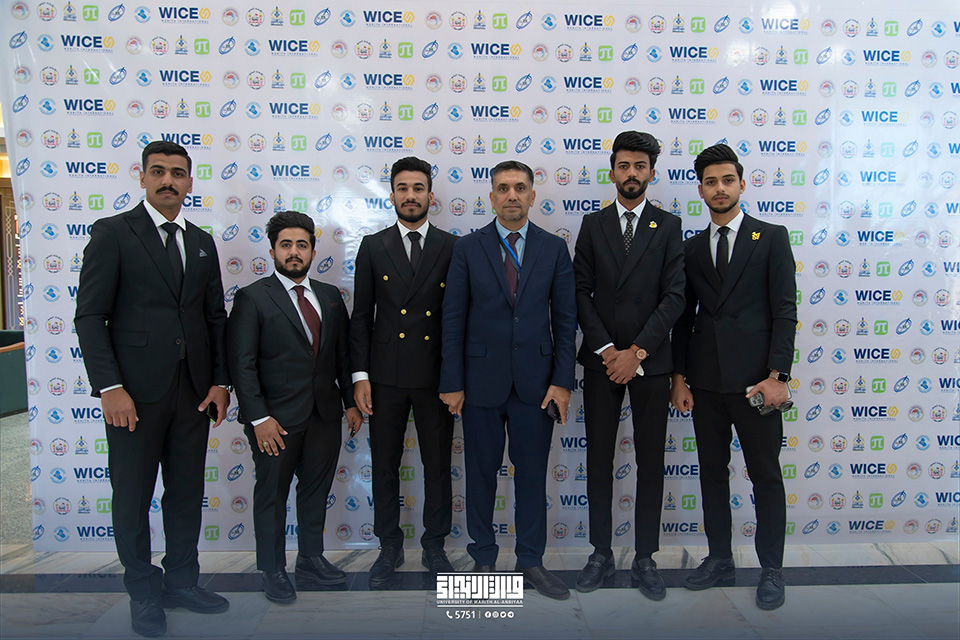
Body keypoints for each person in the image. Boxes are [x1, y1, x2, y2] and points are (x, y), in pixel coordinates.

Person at [74, 140, 231, 637]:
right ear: (141, 177)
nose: (168, 180)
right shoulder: (113, 233)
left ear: (189, 182)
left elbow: (214, 317)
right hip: (133, 396)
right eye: (158, 171)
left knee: (185, 494)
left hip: (193, 394)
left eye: (177, 173)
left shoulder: (201, 241)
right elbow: (90, 316)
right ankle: (143, 592)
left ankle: (182, 582)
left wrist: (219, 381)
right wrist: (110, 387)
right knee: (133, 496)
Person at [439, 160, 577, 600]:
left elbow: (566, 321)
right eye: (503, 188)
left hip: (537, 386)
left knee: (532, 478)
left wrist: (563, 381)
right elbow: (453, 318)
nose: (512, 195)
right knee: (480, 476)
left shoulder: (554, 249)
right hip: (479, 383)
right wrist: (452, 381)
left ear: (532, 196)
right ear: (492, 197)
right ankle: (483, 557)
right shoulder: (468, 247)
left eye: (519, 188)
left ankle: (531, 561)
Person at [670, 144, 797, 610]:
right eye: (710, 182)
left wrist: (778, 375)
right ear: (701, 190)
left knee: (765, 476)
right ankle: (720, 558)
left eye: (727, 180)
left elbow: (785, 310)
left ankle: (772, 569)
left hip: (757, 384)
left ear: (742, 184)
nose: (719, 188)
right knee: (711, 474)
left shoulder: (771, 237)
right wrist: (679, 377)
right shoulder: (689, 248)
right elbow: (683, 319)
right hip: (706, 382)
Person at [226, 211, 362, 604]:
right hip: (275, 420)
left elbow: (342, 357)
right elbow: (242, 364)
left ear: (313, 252)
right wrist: (259, 419)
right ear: (272, 251)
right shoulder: (253, 297)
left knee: (315, 491)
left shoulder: (330, 296)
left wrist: (350, 404)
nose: (294, 252)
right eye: (285, 245)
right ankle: (272, 569)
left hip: (324, 415)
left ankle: (310, 559)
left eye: (302, 245)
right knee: (272, 495)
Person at [572, 131, 685, 599]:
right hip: (602, 362)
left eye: (640, 166)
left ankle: (645, 557)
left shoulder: (669, 225)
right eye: (624, 165)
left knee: (650, 461)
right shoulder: (593, 225)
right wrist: (607, 351)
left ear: (651, 172)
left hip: (650, 363)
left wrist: (635, 352)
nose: (632, 173)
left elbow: (674, 296)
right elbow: (579, 292)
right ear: (612, 171)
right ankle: (600, 552)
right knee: (598, 458)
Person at [350, 157, 459, 586]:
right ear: (392, 195)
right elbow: (361, 317)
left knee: (438, 465)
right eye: (402, 188)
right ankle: (389, 546)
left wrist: (455, 379)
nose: (410, 196)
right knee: (385, 465)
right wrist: (360, 376)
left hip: (436, 377)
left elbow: (457, 319)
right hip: (385, 376)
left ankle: (434, 544)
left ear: (431, 195)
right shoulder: (373, 246)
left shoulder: (452, 246)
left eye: (418, 188)